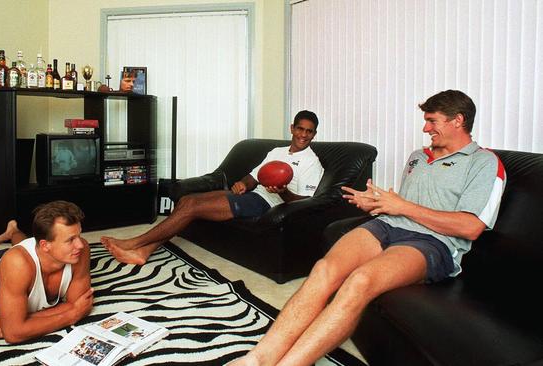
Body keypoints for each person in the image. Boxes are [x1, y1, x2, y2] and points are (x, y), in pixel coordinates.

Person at [228, 90, 506, 366]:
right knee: (323, 270)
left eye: (432, 121)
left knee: (359, 281)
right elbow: (405, 206)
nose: (425, 128)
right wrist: (376, 203)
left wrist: (401, 207)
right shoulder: (418, 157)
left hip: (433, 243)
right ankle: (257, 358)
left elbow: (470, 227)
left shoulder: (484, 162)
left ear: (457, 120)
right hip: (387, 225)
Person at [102, 110, 325, 265]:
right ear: (292, 128)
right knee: (187, 201)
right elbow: (254, 176)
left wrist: (282, 191)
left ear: (314, 134)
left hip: (267, 203)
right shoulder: (276, 152)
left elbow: (305, 201)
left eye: (309, 131)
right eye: (300, 129)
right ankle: (144, 251)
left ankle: (134, 242)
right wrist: (242, 184)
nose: (303, 135)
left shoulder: (312, 163)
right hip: (253, 194)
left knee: (191, 207)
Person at [0, 200, 93, 344]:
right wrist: (71, 316)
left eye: (79, 235)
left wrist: (17, 321)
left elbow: (80, 303)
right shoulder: (17, 265)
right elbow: (13, 334)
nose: (80, 244)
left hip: (33, 257)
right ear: (45, 245)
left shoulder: (80, 250)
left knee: (25, 244)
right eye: (70, 240)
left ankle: (13, 230)